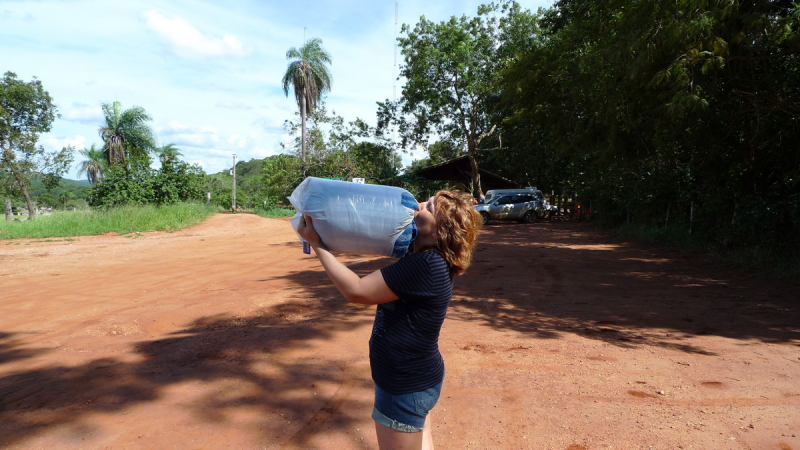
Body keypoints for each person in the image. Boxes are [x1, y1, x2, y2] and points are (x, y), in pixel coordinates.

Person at [296, 190, 481, 450]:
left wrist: (317, 244)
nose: (418, 205)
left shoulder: (425, 264)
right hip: (417, 378)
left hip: (404, 386)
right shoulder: (428, 258)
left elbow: (357, 291)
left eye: (427, 207)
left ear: (439, 232)